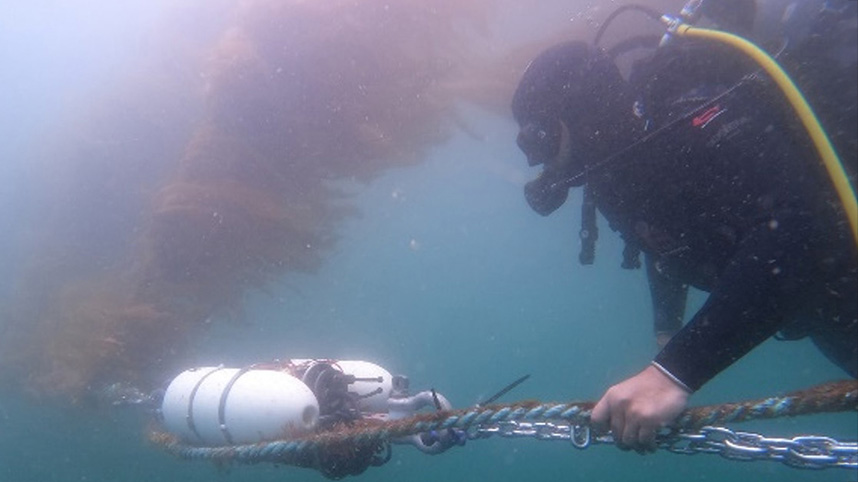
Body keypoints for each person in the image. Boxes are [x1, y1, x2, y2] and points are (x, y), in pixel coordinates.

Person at [511, 1, 857, 451]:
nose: (534, 158)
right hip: (827, 312)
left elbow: (802, 229)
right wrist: (666, 330)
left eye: (538, 136)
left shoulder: (696, 123)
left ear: (579, 116)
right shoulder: (620, 177)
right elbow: (662, 244)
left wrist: (672, 373)